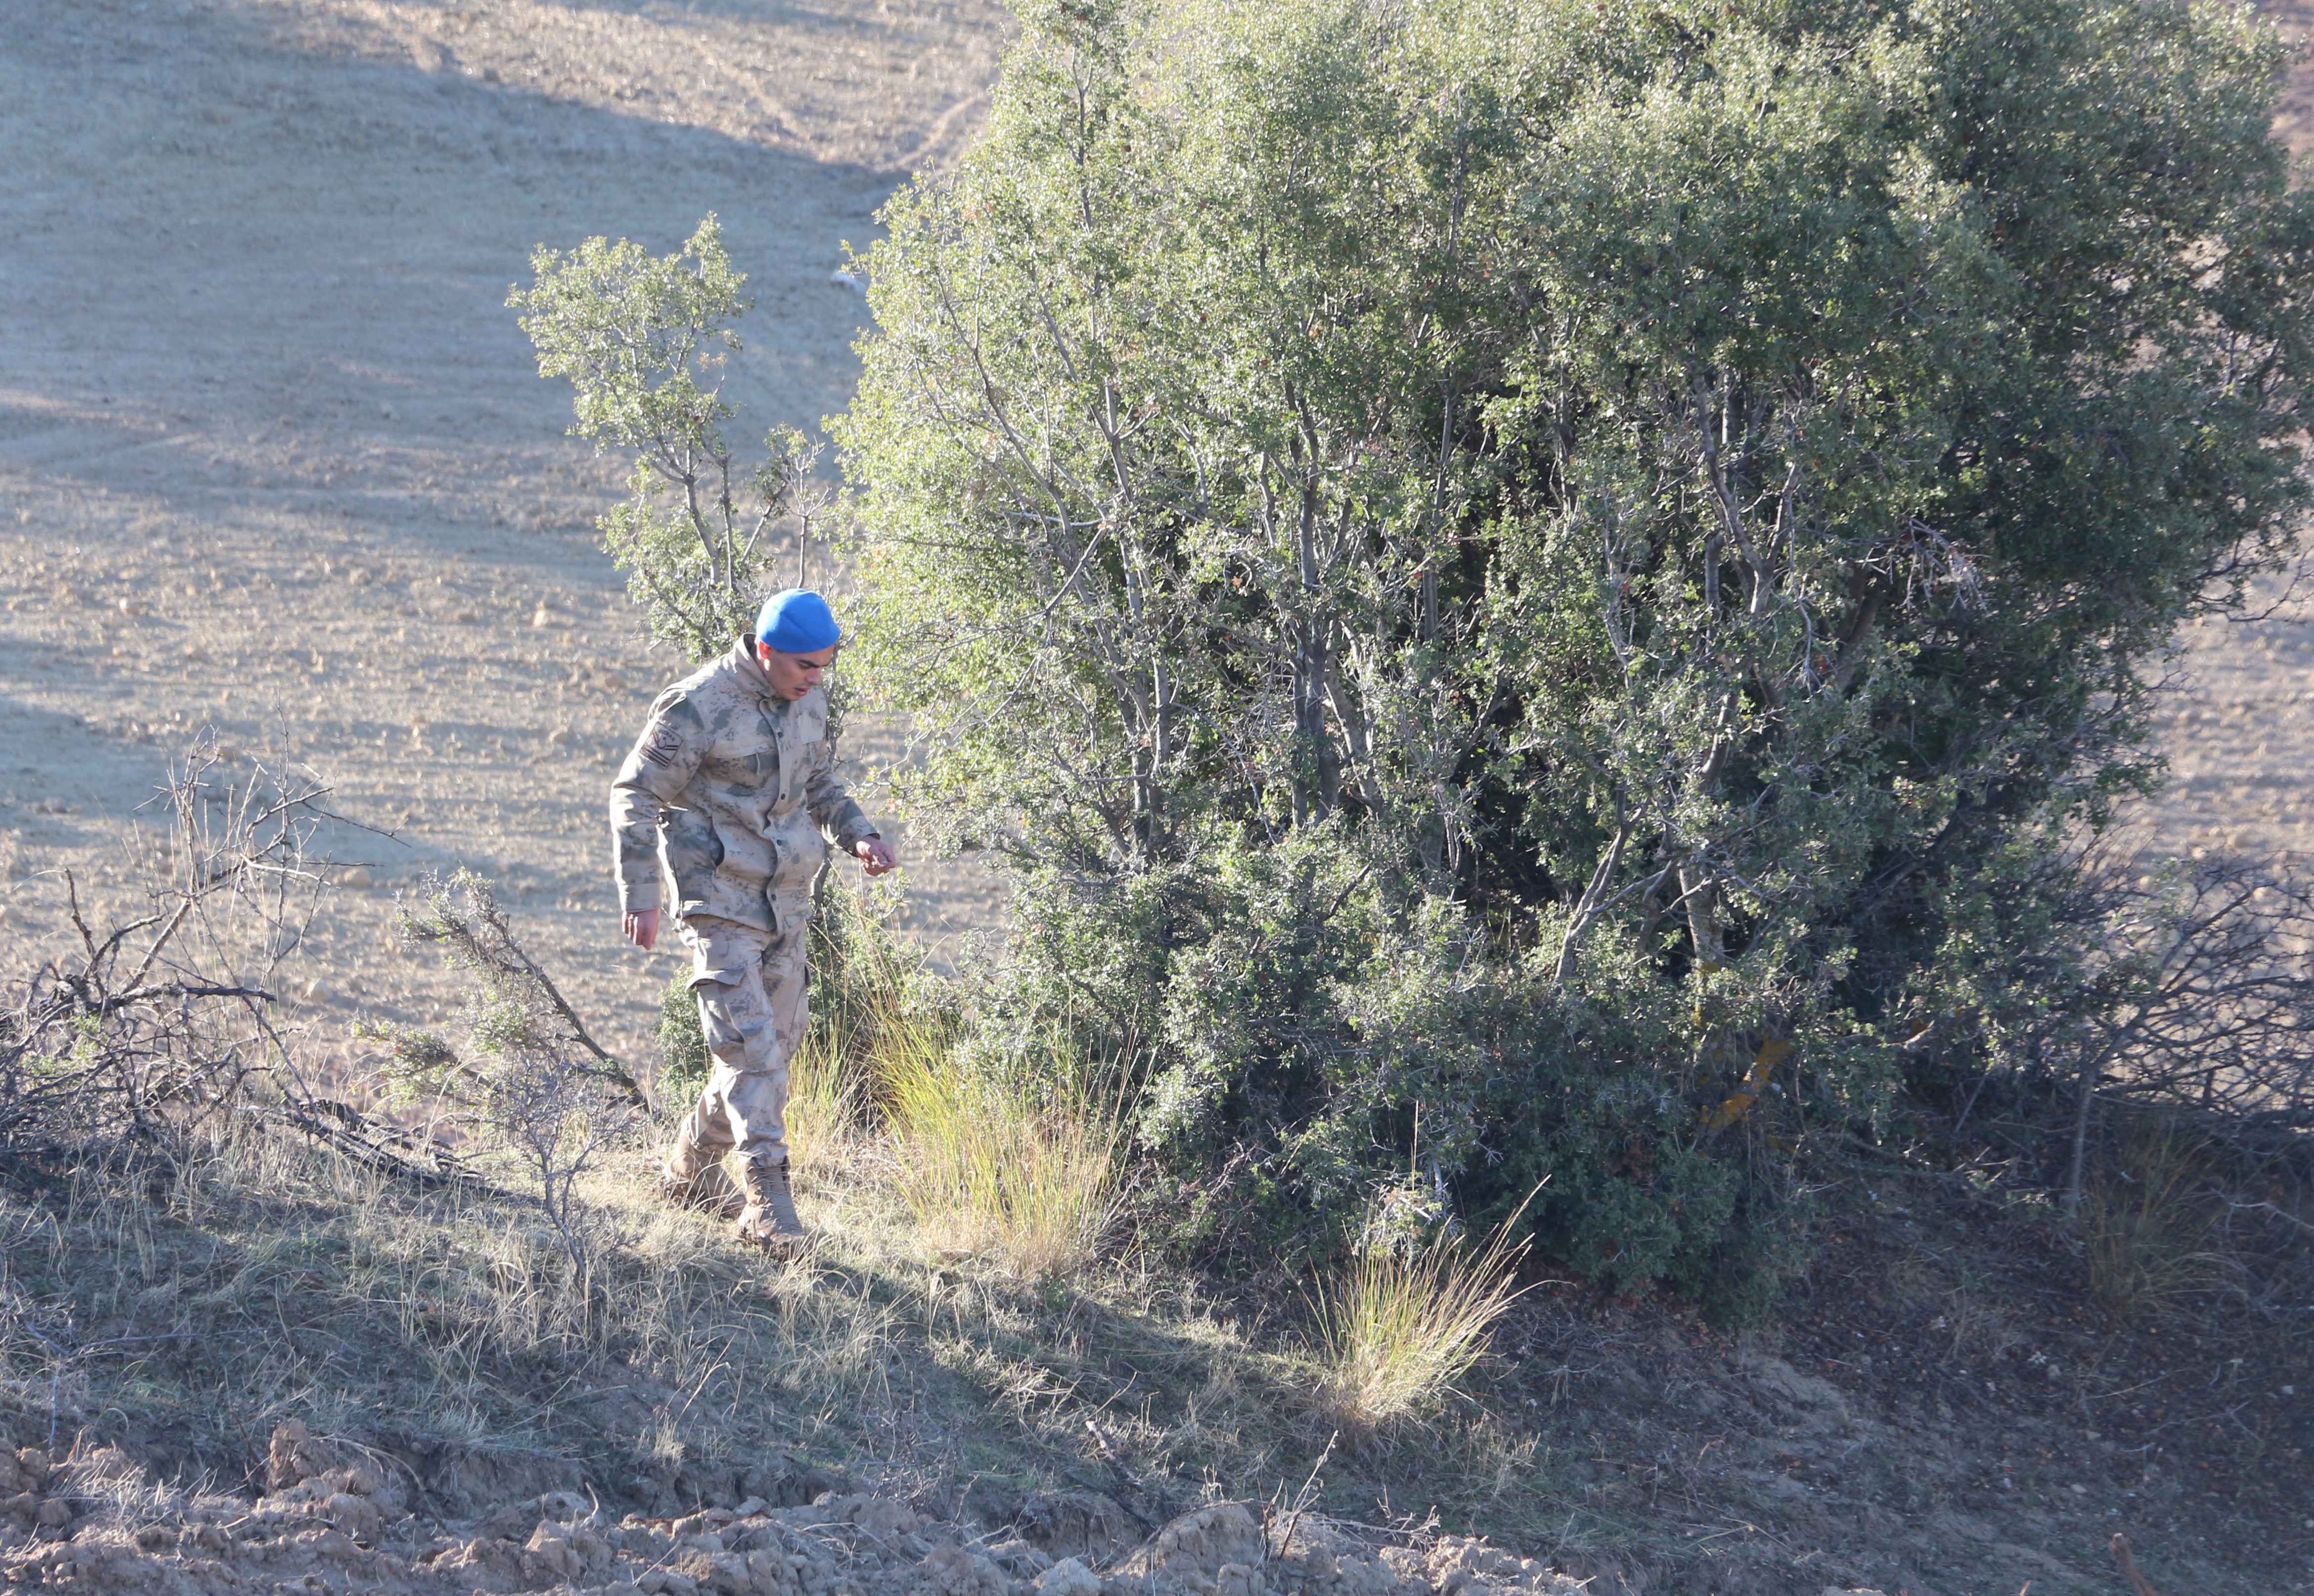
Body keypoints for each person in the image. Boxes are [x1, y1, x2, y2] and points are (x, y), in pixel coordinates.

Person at [608, 589, 895, 1247]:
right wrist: (641, 895)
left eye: (825, 666)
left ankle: (688, 1171)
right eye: (804, 667)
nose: (816, 679)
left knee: (767, 1053)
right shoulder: (699, 706)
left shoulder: (808, 697)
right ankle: (770, 1208)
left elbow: (817, 783)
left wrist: (859, 835)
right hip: (718, 904)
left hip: (788, 902)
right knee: (751, 1051)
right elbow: (633, 794)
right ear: (766, 651)